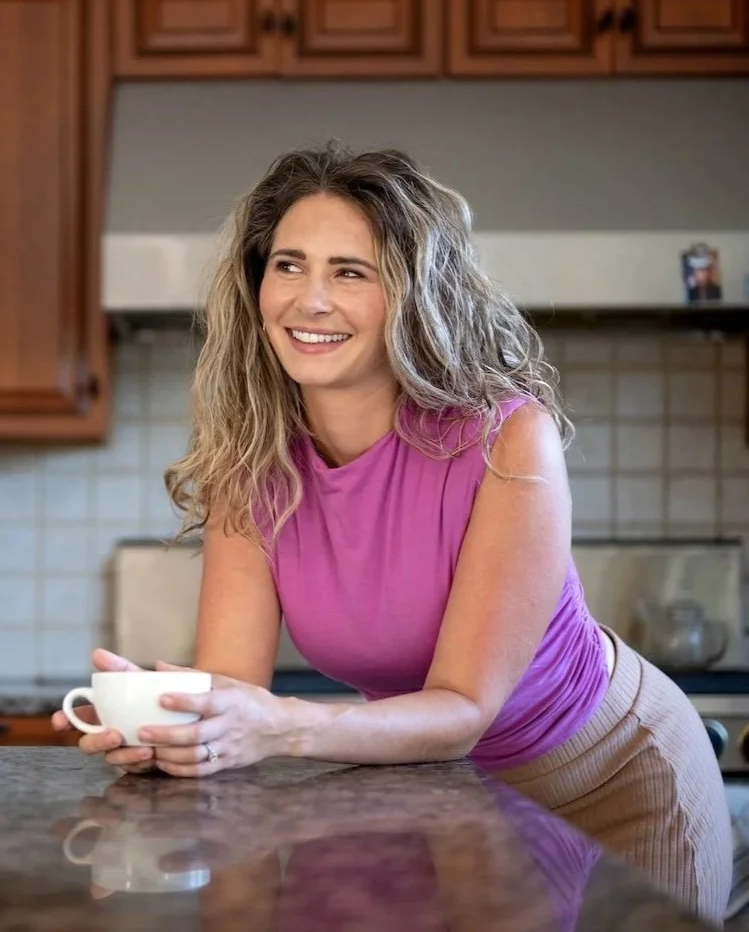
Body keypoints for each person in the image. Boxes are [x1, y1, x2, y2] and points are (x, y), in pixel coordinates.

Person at [52, 141, 732, 925]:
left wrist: (278, 727)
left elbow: (463, 709)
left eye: (351, 272)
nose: (310, 300)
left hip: (612, 780)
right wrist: (171, 730)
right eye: (288, 265)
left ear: (412, 296)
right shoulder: (252, 464)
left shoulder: (506, 438)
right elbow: (233, 690)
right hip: (448, 801)